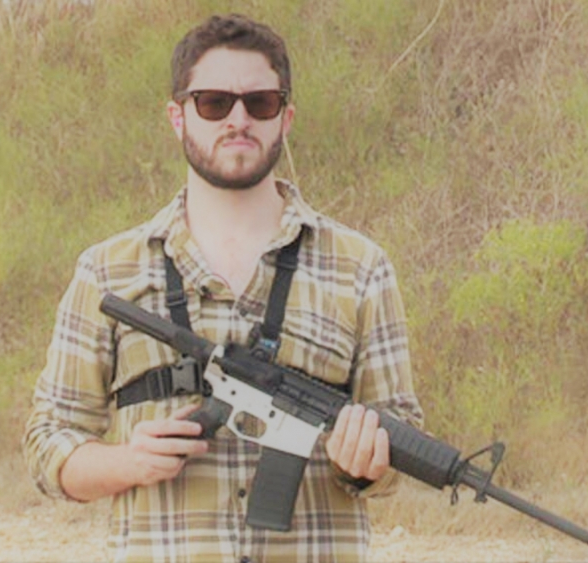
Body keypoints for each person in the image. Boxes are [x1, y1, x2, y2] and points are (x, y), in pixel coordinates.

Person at [23, 13, 423, 563]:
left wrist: (367, 462)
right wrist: (128, 462)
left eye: (260, 103)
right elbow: (49, 442)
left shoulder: (361, 268)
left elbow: (401, 437)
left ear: (285, 118)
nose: (239, 120)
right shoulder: (106, 271)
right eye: (213, 103)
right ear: (178, 116)